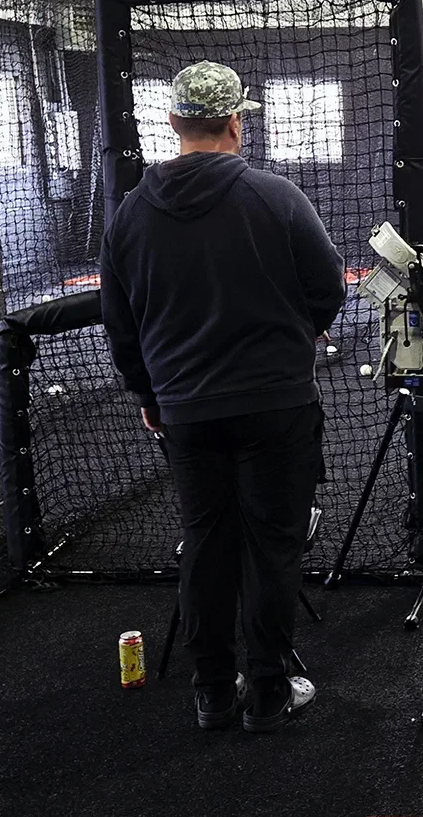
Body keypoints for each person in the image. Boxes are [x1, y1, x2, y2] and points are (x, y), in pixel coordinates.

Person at [100, 61, 346, 734]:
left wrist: (147, 392)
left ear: (173, 122)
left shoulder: (129, 215)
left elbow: (120, 322)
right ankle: (267, 693)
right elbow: (328, 288)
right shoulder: (276, 197)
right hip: (276, 407)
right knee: (271, 547)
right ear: (236, 123)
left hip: (185, 411)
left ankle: (211, 691)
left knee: (206, 544)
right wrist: (298, 330)